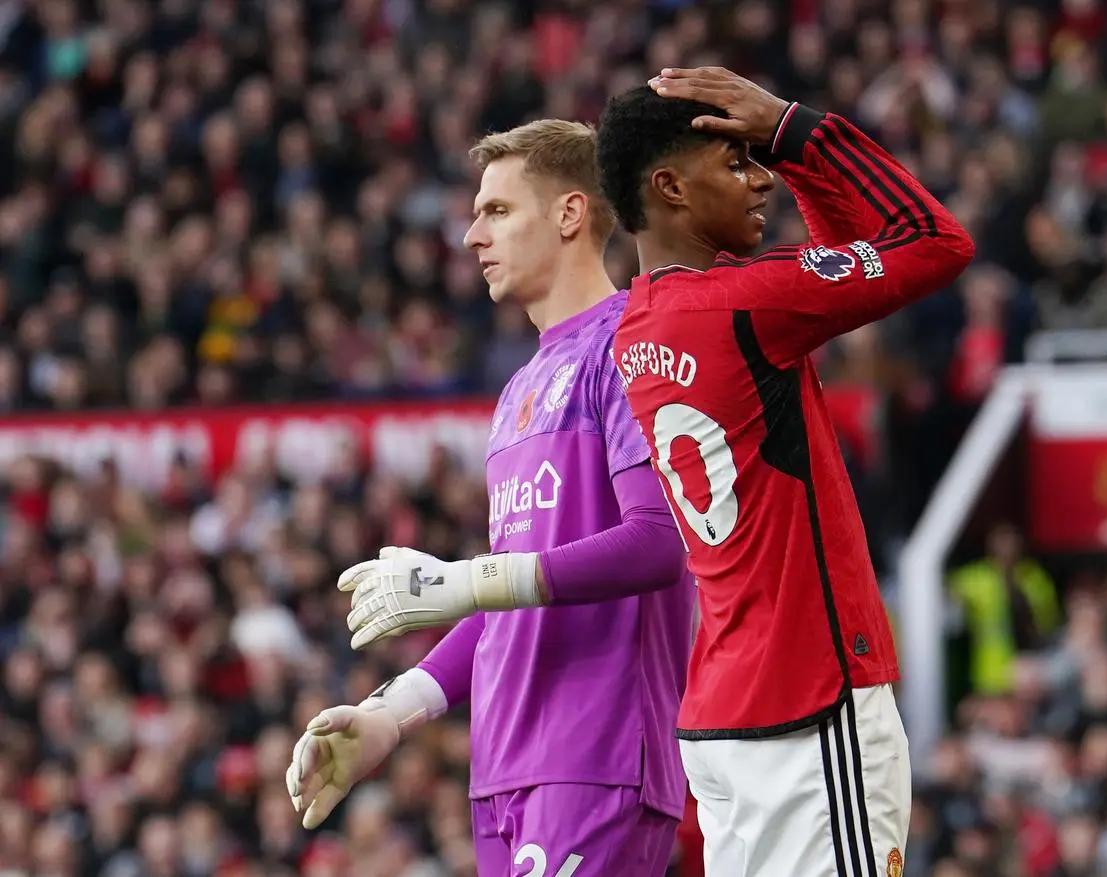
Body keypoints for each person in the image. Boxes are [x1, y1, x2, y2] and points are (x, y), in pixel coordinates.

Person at [285, 120, 694, 877]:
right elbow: (512, 597)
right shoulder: (517, 392)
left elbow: (659, 542)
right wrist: (391, 713)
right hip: (502, 771)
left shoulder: (630, 345)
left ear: (570, 214)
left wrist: (464, 578)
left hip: (593, 755)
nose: (472, 236)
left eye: (497, 211)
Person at [594, 68, 976, 877]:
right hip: (807, 704)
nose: (761, 175)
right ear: (669, 186)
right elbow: (937, 242)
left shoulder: (642, 323)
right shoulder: (742, 306)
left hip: (729, 708)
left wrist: (782, 149)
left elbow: (848, 261)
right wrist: (793, 128)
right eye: (735, 162)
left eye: (756, 156)